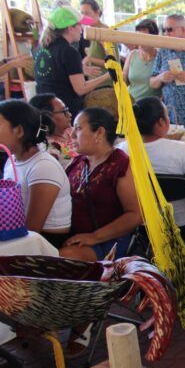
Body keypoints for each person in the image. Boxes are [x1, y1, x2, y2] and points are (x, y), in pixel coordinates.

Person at [60, 107, 141, 261]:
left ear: (99, 132)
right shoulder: (78, 162)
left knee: (64, 258)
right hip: (76, 237)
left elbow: (136, 215)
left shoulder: (121, 164)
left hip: (110, 239)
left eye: (78, 129)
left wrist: (95, 237)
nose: (72, 134)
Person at [0, 100, 71, 247]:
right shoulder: (12, 160)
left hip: (46, 242)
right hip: (20, 235)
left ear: (19, 131)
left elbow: (33, 229)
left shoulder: (43, 167)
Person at [132, 97, 185, 227]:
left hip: (146, 223)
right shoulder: (181, 150)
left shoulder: (124, 150)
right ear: (161, 122)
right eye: (167, 115)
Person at [34, 5, 110, 118]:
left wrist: (79, 69)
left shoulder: (43, 47)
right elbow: (81, 89)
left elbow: (55, 74)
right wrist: (108, 75)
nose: (82, 29)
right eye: (80, 25)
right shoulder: (69, 51)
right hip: (63, 112)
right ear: (70, 28)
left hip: (44, 108)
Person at [79, 0, 119, 118]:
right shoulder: (91, 32)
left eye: (87, 13)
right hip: (94, 86)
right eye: (82, 13)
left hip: (105, 87)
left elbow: (114, 62)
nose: (84, 17)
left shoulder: (103, 32)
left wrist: (90, 59)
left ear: (97, 12)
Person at [29, 93, 77, 167]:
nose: (70, 114)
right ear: (47, 116)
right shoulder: (47, 148)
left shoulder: (74, 131)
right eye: (63, 111)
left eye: (67, 110)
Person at [123, 19, 163, 102]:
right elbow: (124, 78)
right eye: (137, 37)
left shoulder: (161, 57)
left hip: (150, 107)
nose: (139, 41)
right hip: (130, 103)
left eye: (143, 38)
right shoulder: (132, 54)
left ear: (154, 38)